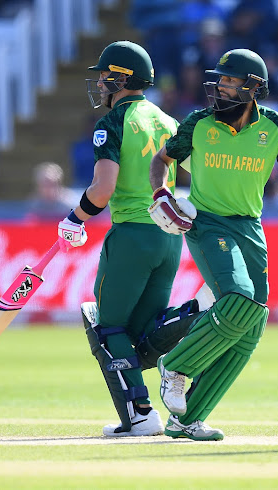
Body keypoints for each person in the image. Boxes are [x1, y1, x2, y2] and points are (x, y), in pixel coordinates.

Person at [148, 49, 278, 440]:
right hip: (207, 222)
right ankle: (177, 365)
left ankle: (187, 420)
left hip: (250, 227)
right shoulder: (198, 124)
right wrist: (162, 194)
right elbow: (161, 160)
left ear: (252, 88)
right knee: (239, 297)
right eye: (219, 81)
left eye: (230, 82)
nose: (220, 89)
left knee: (253, 322)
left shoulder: (276, 128)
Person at [55, 41, 212, 438]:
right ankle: (192, 312)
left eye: (106, 75)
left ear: (122, 78)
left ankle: (141, 415)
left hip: (131, 235)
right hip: (169, 237)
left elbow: (103, 188)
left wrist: (77, 216)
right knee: (143, 334)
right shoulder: (169, 121)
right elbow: (202, 177)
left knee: (107, 328)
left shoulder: (112, 123)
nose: (101, 83)